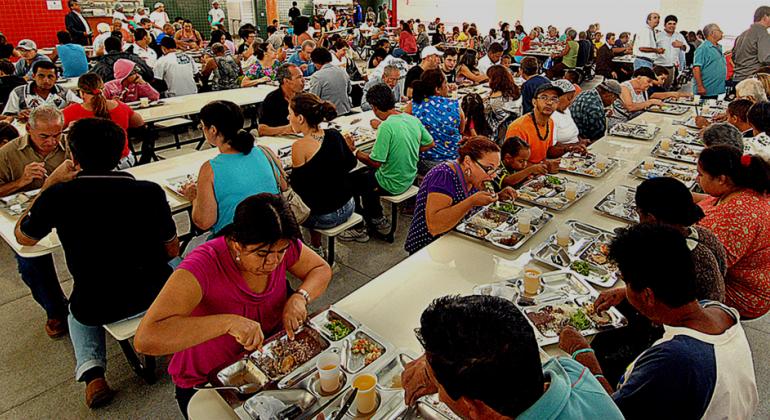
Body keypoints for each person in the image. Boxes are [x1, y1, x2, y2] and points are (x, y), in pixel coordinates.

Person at [13, 116, 178, 408]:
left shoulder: (59, 197)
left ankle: (93, 375)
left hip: (96, 302)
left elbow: (23, 238)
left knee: (77, 309)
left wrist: (48, 185)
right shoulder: (150, 192)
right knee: (184, 264)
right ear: (122, 153)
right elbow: (171, 250)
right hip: (157, 292)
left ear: (73, 157)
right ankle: (177, 339)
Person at [134, 192, 331, 416]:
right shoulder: (203, 264)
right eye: (262, 254)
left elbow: (320, 269)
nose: (274, 262)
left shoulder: (278, 244)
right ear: (237, 244)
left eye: (281, 252)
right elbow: (146, 338)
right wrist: (227, 323)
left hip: (268, 363)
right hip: (211, 382)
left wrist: (299, 297)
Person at [559, 223, 758, 420]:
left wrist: (582, 353)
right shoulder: (716, 310)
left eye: (627, 283)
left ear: (648, 295)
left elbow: (609, 413)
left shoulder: (675, 359)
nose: (626, 289)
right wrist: (627, 294)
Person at [401, 295, 624, 419]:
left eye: (440, 390)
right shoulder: (570, 371)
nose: (439, 397)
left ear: (473, 408)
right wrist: (436, 363)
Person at [0, 106, 69, 338]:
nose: (52, 142)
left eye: (57, 134)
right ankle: (56, 310)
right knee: (31, 261)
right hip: (28, 212)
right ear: (28, 130)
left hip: (68, 207)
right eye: (44, 136)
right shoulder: (8, 153)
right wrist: (21, 181)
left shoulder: (70, 145)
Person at [181, 101, 281, 237]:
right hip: (275, 230)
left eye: (202, 127)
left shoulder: (210, 169)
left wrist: (194, 197)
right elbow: (283, 185)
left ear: (213, 130)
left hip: (238, 242)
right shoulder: (264, 152)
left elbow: (204, 222)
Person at [404, 136, 516, 255]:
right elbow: (435, 226)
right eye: (489, 168)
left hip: (455, 240)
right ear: (468, 162)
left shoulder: (473, 178)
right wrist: (471, 202)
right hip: (428, 248)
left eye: (496, 170)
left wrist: (498, 196)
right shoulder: (443, 176)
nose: (493, 176)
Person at [346, 84, 434, 238]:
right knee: (365, 175)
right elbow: (429, 143)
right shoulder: (411, 119)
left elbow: (375, 162)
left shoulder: (386, 127)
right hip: (409, 177)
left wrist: (354, 150)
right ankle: (373, 216)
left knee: (350, 181)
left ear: (374, 107)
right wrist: (408, 148)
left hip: (392, 183)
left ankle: (365, 223)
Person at [695, 146, 770, 319]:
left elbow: (701, 271)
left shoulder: (733, 218)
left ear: (721, 179)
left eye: (700, 174)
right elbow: (708, 202)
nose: (696, 178)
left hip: (745, 295)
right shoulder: (742, 190)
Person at [288, 93, 359, 249]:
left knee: (288, 209)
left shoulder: (299, 146)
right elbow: (351, 163)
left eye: (290, 113)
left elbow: (298, 188)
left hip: (326, 217)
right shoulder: (334, 134)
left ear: (300, 118)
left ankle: (313, 248)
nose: (288, 118)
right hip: (349, 205)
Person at [63, 73, 141, 168]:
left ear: (82, 93)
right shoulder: (120, 106)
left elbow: (56, 129)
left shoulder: (72, 111)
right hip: (123, 162)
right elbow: (139, 123)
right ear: (103, 89)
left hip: (89, 166)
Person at [407, 70, 465, 174]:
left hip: (426, 162)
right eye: (445, 83)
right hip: (454, 160)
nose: (448, 87)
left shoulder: (414, 105)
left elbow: (402, 123)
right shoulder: (455, 105)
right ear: (437, 89)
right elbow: (461, 130)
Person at [505, 83, 578, 166]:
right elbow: (512, 162)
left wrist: (569, 149)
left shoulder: (550, 122)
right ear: (534, 102)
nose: (549, 102)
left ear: (557, 103)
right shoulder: (518, 127)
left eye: (554, 99)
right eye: (544, 97)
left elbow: (548, 151)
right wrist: (542, 167)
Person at [3, 61, 81, 118]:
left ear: (56, 78)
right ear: (33, 76)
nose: (46, 80)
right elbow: (7, 116)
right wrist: (18, 115)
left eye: (50, 76)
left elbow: (82, 105)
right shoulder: (19, 92)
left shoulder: (64, 92)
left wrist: (73, 107)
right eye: (41, 76)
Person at [258, 64, 304, 136]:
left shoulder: (304, 97)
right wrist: (288, 129)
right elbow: (262, 130)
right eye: (299, 77)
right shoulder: (272, 99)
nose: (303, 81)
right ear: (286, 81)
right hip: (280, 140)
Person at [308, 47, 352, 116]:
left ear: (316, 62)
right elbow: (349, 90)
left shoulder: (317, 77)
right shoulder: (342, 71)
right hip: (346, 111)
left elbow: (313, 99)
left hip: (329, 115)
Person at [732, 6, 770, 82]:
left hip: (737, 78)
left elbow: (733, 57)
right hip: (752, 81)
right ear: (765, 17)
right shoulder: (762, 33)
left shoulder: (742, 34)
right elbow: (765, 58)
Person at [484, 64, 521, 140]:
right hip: (517, 126)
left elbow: (497, 119)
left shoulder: (496, 99)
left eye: (489, 78)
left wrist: (486, 103)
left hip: (500, 133)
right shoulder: (515, 91)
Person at [653, 15, 689, 90]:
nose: (672, 26)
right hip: (658, 66)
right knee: (655, 89)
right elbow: (651, 49)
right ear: (664, 25)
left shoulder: (679, 36)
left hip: (670, 68)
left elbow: (687, 49)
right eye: (669, 23)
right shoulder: (658, 35)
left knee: (666, 89)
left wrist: (681, 45)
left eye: (674, 24)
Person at [693, 23, 727, 99]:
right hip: (705, 91)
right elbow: (696, 68)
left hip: (715, 90)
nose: (722, 33)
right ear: (712, 33)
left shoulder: (717, 47)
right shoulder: (703, 48)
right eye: (719, 31)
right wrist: (700, 87)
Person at [550, 79, 583, 147]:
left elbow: (574, 134)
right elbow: (552, 147)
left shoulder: (566, 110)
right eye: (569, 98)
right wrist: (574, 146)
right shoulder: (551, 117)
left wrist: (581, 141)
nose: (570, 102)